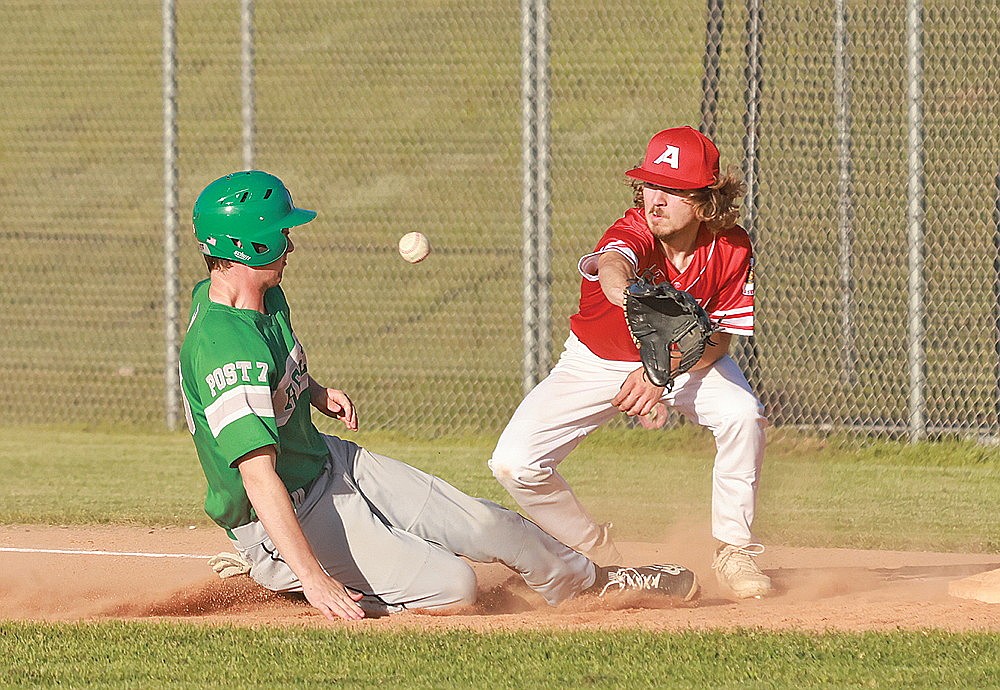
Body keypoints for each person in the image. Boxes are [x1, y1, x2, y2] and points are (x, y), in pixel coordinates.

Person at [179, 170, 700, 621]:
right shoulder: (226, 348)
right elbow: (256, 475)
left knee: (488, 525)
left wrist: (313, 393)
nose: (290, 246)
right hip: (283, 510)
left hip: (329, 462)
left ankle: (590, 580)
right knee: (455, 588)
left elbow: (272, 372)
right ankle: (291, 573)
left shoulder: (261, 296)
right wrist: (312, 577)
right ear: (248, 247)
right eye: (280, 235)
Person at [489, 126, 772, 599]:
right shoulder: (635, 229)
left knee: (742, 414)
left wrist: (662, 369)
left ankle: (732, 549)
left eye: (673, 191)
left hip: (683, 364)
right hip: (596, 360)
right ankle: (595, 550)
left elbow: (721, 338)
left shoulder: (732, 248)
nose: (654, 200)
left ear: (705, 202)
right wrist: (630, 299)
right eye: (649, 186)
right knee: (514, 464)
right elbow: (613, 265)